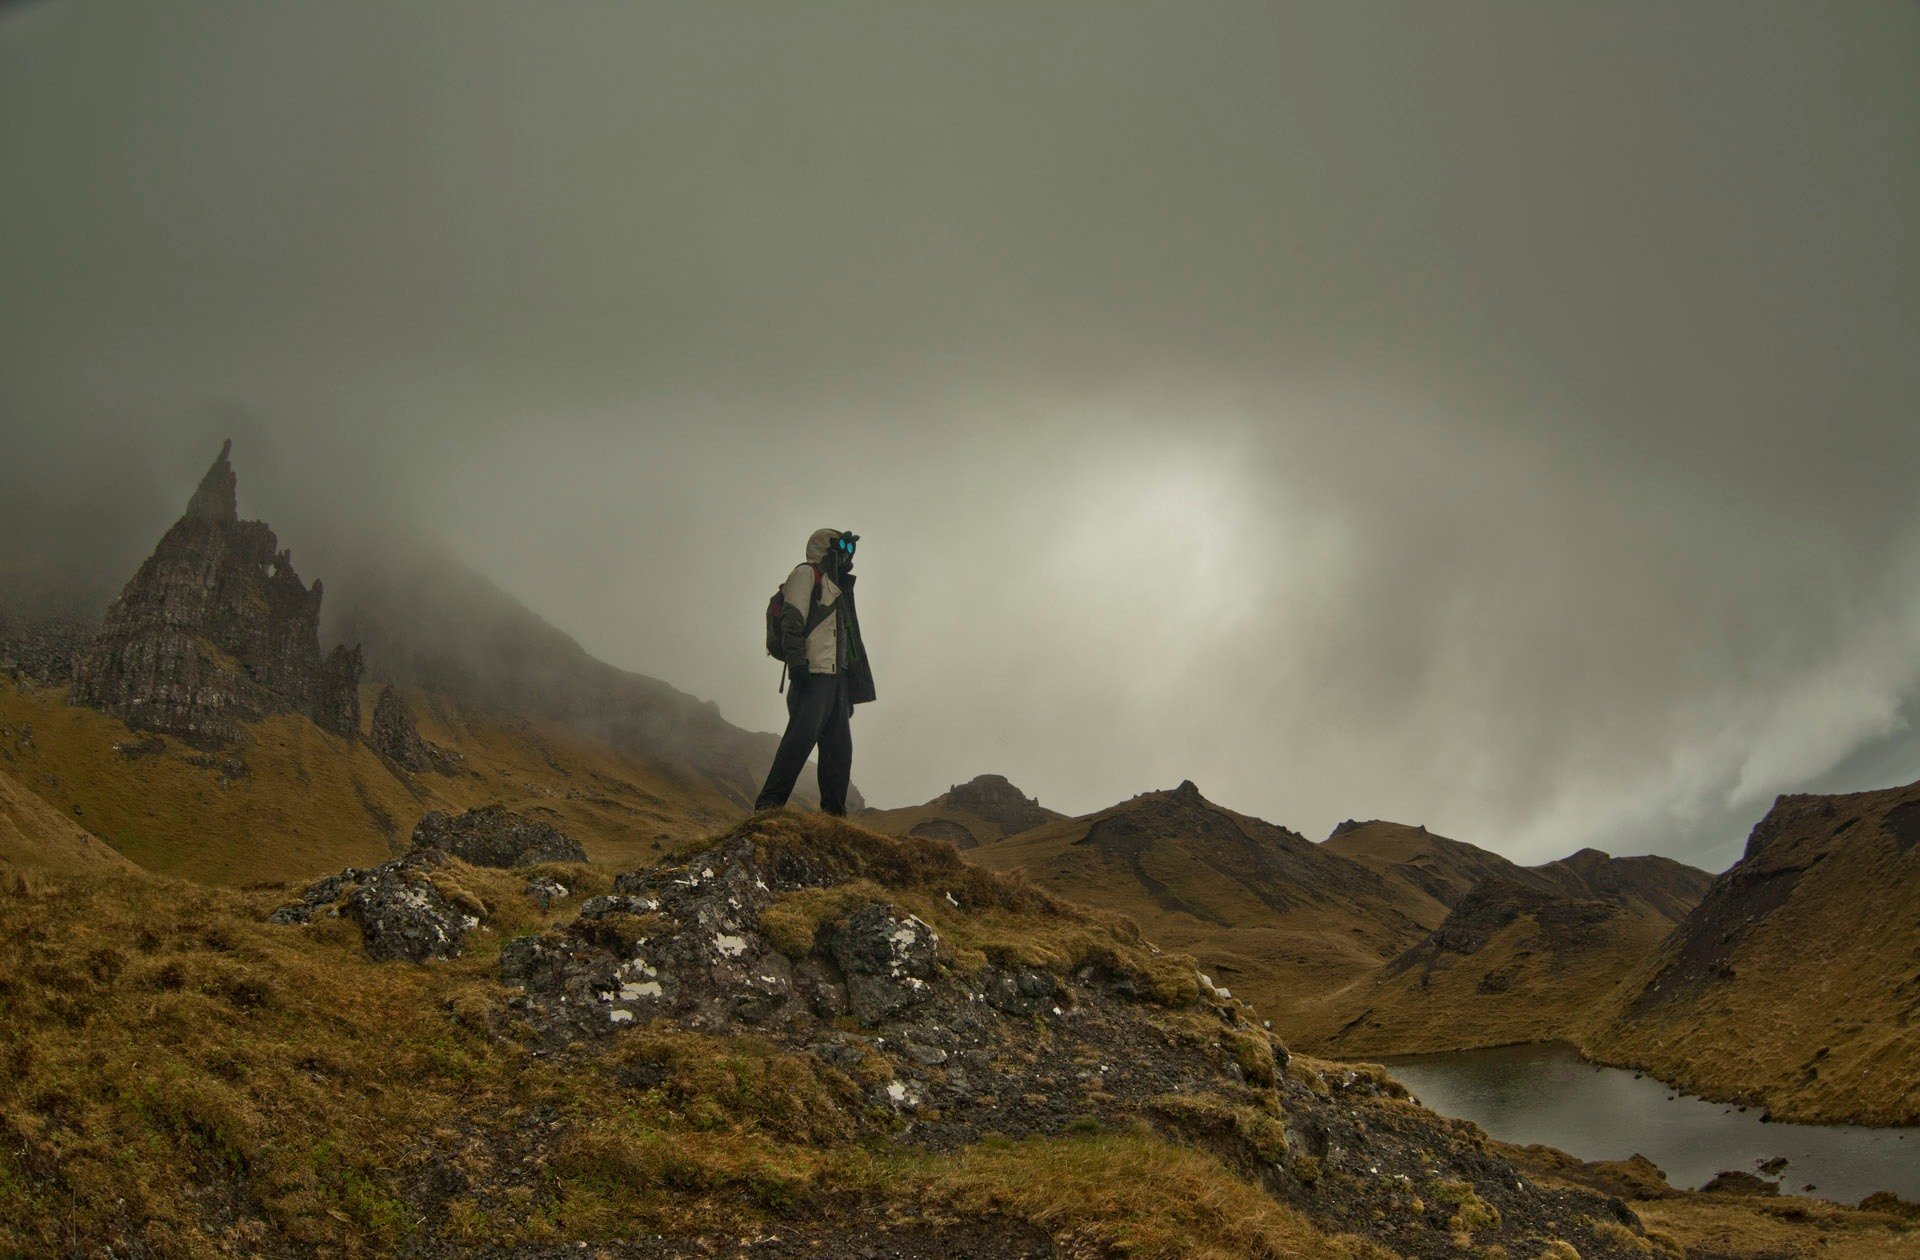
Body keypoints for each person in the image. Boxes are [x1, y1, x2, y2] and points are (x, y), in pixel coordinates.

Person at [755, 527, 875, 815]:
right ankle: (768, 807)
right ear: (826, 548)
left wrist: (847, 690)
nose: (846, 556)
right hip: (813, 675)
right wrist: (798, 665)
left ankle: (834, 819)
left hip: (836, 681)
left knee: (839, 752)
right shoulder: (806, 574)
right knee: (799, 741)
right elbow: (791, 620)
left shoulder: (837, 587)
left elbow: (844, 642)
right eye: (841, 548)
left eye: (849, 551)